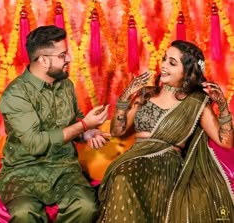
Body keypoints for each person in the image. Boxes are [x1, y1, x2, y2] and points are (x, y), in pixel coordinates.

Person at [97, 40, 234, 223]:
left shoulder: (196, 103)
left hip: (165, 165)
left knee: (123, 177)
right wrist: (125, 96)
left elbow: (225, 141)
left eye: (172, 62)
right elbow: (117, 130)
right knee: (122, 176)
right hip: (133, 160)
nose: (163, 65)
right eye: (164, 59)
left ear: (187, 72)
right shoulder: (147, 93)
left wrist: (223, 106)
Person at [0, 25, 110, 223]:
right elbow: (35, 143)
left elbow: (73, 121)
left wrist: (87, 133)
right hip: (23, 170)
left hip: (64, 167)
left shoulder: (65, 85)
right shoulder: (16, 95)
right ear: (43, 60)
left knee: (86, 207)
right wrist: (83, 125)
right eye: (62, 55)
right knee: (24, 213)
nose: (68, 60)